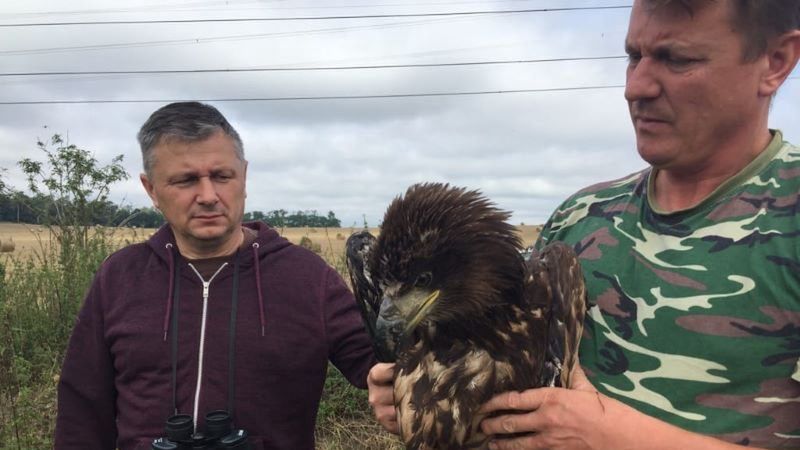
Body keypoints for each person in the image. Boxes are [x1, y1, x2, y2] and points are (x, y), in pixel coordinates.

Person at [369, 0, 800, 448]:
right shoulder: (580, 216)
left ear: (775, 62)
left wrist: (615, 438)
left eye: (677, 59)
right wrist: (425, 396)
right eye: (633, 56)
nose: (636, 87)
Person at [54, 101, 376, 450]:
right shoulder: (120, 277)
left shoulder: (309, 277)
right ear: (151, 190)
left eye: (222, 176)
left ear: (244, 176)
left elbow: (378, 365)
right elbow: (82, 410)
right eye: (185, 180)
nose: (208, 196)